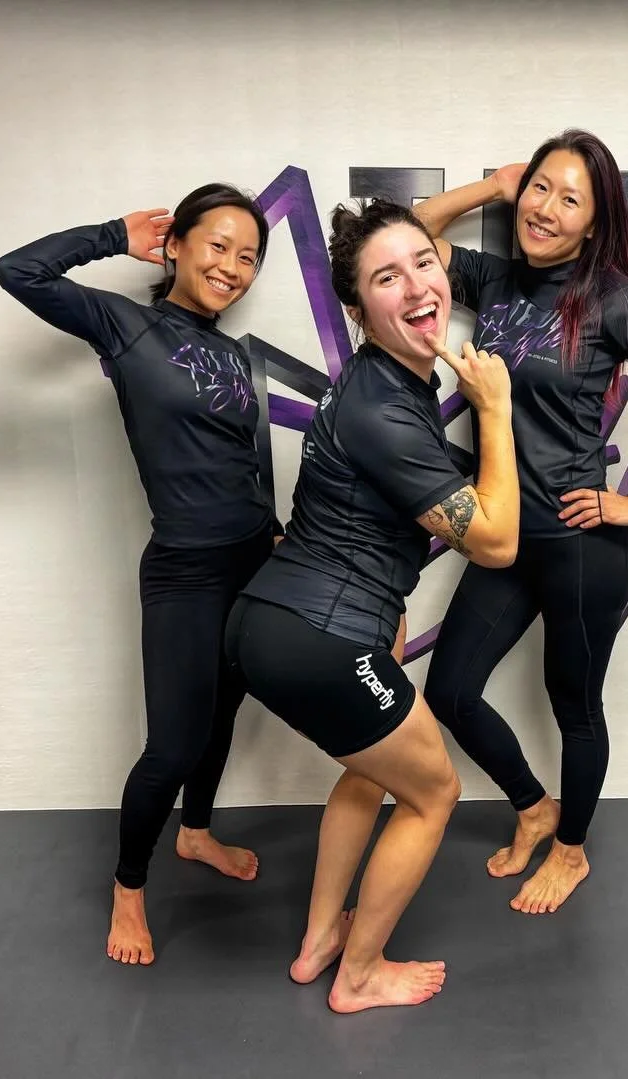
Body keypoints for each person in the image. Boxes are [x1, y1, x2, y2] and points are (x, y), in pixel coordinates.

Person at [416, 130, 628, 915]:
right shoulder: (497, 283)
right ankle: (533, 806)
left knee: (575, 706)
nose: (547, 209)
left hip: (579, 542)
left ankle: (573, 850)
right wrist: (492, 187)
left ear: (595, 222)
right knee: (452, 691)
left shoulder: (614, 299)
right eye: (541, 189)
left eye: (570, 199)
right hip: (502, 532)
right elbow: (412, 233)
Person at [224, 198, 518, 1013]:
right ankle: (359, 972)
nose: (418, 284)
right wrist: (494, 410)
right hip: (315, 633)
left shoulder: (386, 374)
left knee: (368, 768)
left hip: (284, 618)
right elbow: (493, 540)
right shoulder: (387, 409)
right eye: (388, 278)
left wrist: (485, 188)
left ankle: (321, 942)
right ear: (358, 310)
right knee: (435, 791)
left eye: (426, 263)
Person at [0, 185, 282, 965]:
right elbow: (17, 271)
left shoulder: (232, 352)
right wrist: (111, 233)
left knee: (224, 713)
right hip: (185, 570)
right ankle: (129, 887)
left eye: (247, 256)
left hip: (254, 557)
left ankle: (196, 834)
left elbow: (245, 462)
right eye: (216, 245)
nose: (231, 266)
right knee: (174, 742)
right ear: (177, 245)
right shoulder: (127, 327)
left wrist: (276, 533)